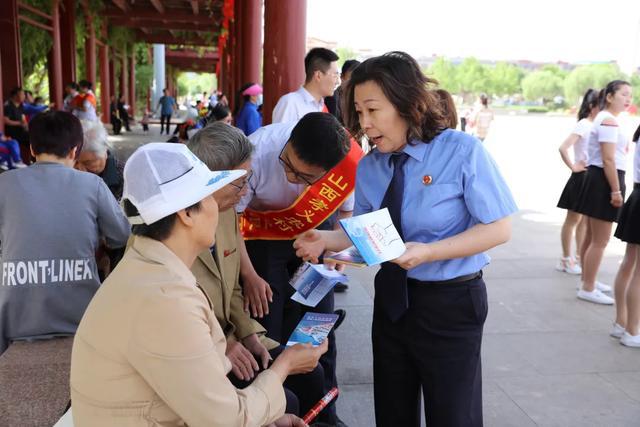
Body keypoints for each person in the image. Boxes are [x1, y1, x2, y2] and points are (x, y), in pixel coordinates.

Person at [293, 51, 517, 427]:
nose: (364, 123)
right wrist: (327, 241)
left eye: (372, 110)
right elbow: (370, 238)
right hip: (393, 302)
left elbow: (498, 228)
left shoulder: (461, 151)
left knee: (453, 414)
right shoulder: (370, 167)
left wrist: (429, 252)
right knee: (393, 411)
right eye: (358, 113)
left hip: (450, 304)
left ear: (404, 102)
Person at [70, 142, 325, 426]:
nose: (218, 208)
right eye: (209, 197)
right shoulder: (164, 299)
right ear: (186, 214)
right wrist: (285, 364)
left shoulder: (150, 269)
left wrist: (265, 417)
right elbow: (227, 420)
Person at [187, 123, 328, 420]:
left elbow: (233, 291)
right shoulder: (173, 231)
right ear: (210, 180)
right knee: (286, 400)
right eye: (240, 183)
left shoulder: (223, 213)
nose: (244, 194)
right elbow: (175, 319)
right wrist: (222, 345)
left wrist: (250, 335)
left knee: (314, 375)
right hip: (201, 353)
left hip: (233, 337)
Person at [237, 112, 361, 427]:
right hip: (262, 241)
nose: (293, 178)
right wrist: (249, 275)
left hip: (314, 237)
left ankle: (322, 415)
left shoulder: (345, 163)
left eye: (306, 177)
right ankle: (275, 414)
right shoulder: (257, 150)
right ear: (288, 140)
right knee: (270, 329)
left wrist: (337, 253)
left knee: (318, 329)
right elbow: (230, 223)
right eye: (288, 165)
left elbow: (346, 211)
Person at [0, 111, 130, 355]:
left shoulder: (4, 183)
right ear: (75, 150)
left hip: (15, 318)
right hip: (80, 316)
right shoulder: (92, 185)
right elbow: (122, 235)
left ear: (30, 149)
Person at [574, 80, 633, 304]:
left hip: (598, 178)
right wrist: (616, 191)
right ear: (609, 97)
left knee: (591, 236)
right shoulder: (608, 121)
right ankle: (588, 286)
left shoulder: (604, 119)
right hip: (605, 179)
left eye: (630, 95)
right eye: (623, 94)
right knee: (600, 240)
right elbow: (608, 159)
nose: (628, 99)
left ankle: (587, 280)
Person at [556, 88, 600, 275]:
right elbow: (563, 147)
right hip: (580, 177)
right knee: (572, 220)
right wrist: (573, 166)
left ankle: (579, 258)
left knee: (583, 223)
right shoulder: (584, 124)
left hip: (589, 177)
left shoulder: (596, 124)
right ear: (592, 107)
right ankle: (566, 259)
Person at [611, 124, 640, 346]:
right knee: (637, 270)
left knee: (629, 263)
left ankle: (622, 323)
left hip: (637, 197)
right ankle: (632, 331)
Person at [272, 48, 340, 123]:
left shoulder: (322, 106)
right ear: (318, 76)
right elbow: (279, 133)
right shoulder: (290, 103)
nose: (337, 81)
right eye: (335, 75)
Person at [325, 59, 360, 124]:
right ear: (342, 77)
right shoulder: (331, 98)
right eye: (350, 80)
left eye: (357, 80)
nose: (354, 84)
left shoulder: (361, 97)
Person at [3, 87, 30, 164]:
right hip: (12, 132)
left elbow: (23, 119)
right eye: (22, 94)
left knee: (35, 137)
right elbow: (5, 121)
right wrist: (19, 123)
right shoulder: (8, 105)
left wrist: (25, 125)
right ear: (15, 96)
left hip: (21, 132)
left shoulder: (20, 106)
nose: (24, 96)